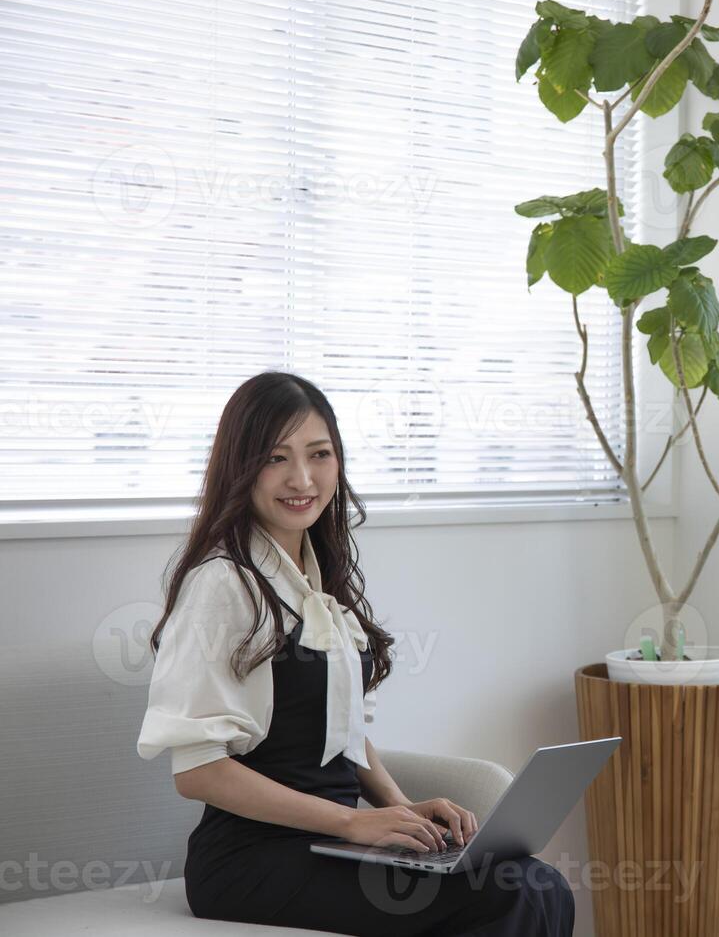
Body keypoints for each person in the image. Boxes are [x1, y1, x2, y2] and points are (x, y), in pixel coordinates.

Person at [136, 371, 573, 936]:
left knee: (538, 883)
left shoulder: (315, 579)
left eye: (319, 454)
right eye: (276, 458)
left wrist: (401, 806)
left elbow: (338, 729)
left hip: (331, 843)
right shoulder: (222, 584)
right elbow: (199, 771)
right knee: (503, 898)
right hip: (251, 863)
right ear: (241, 468)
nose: (302, 478)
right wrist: (352, 822)